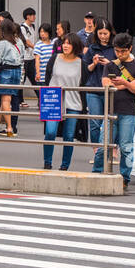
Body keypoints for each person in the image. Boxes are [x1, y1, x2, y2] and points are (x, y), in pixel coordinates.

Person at [101, 33, 135, 191]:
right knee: (103, 145)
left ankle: (124, 178)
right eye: (117, 51)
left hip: (129, 111)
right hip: (110, 111)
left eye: (123, 51)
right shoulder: (110, 65)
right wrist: (128, 84)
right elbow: (106, 85)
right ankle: (99, 173)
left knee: (126, 147)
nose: (119, 54)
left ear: (130, 49)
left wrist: (124, 83)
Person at [43, 32, 84, 170]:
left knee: (69, 135)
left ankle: (65, 166)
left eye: (69, 43)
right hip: (53, 99)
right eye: (64, 43)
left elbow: (83, 82)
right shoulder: (54, 58)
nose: (65, 46)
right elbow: (47, 78)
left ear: (75, 46)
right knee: (50, 132)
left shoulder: (80, 63)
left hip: (74, 101)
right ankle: (47, 162)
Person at [80, 19, 116, 158]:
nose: (103, 36)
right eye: (100, 33)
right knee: (95, 121)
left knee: (111, 120)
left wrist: (109, 64)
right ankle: (96, 150)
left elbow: (120, 69)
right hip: (93, 88)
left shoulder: (115, 48)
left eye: (105, 33)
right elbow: (86, 69)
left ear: (110, 33)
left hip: (111, 89)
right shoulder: (92, 48)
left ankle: (112, 147)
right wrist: (94, 63)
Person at [0, 18, 26, 139]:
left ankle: (9, 127)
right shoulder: (18, 41)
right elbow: (22, 55)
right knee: (6, 100)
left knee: (5, 101)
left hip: (6, 71)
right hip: (17, 71)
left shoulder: (2, 43)